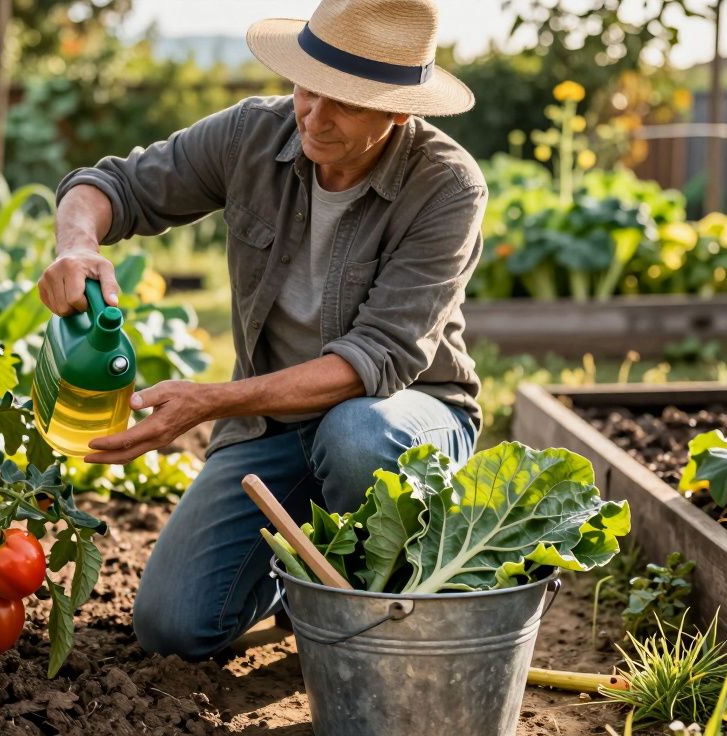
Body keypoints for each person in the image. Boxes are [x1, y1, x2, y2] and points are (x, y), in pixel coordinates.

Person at [36, 0, 486, 660]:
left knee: (356, 435)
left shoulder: (446, 186)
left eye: (345, 102)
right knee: (173, 627)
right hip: (273, 428)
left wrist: (207, 402)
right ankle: (292, 578)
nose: (314, 115)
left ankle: (374, 623)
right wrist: (76, 243)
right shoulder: (253, 135)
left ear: (399, 111)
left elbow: (372, 363)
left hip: (407, 422)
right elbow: (112, 186)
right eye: (307, 87)